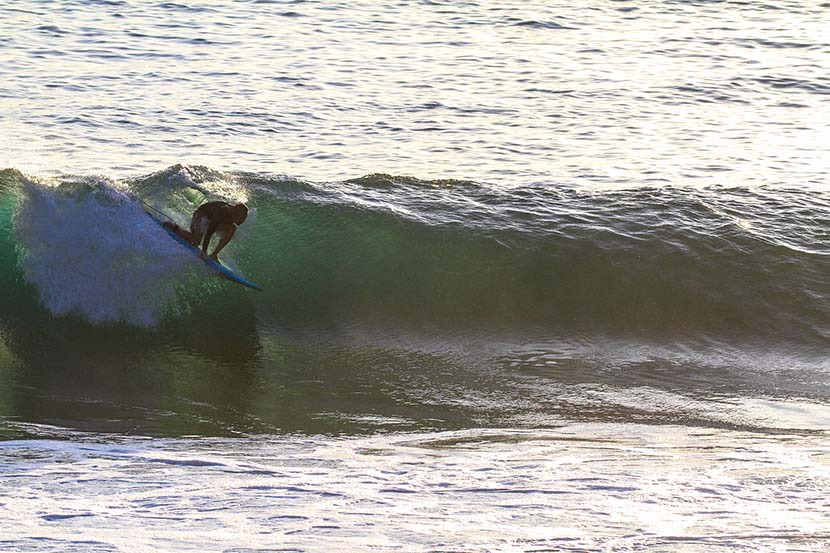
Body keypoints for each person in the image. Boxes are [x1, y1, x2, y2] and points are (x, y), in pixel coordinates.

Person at [163, 201, 248, 261]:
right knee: (195, 242)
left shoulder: (231, 215)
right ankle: (174, 227)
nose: (243, 220)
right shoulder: (221, 213)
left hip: (209, 220)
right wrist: (204, 252)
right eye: (243, 218)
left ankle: (214, 254)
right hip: (200, 217)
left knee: (232, 229)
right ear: (236, 214)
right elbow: (209, 233)